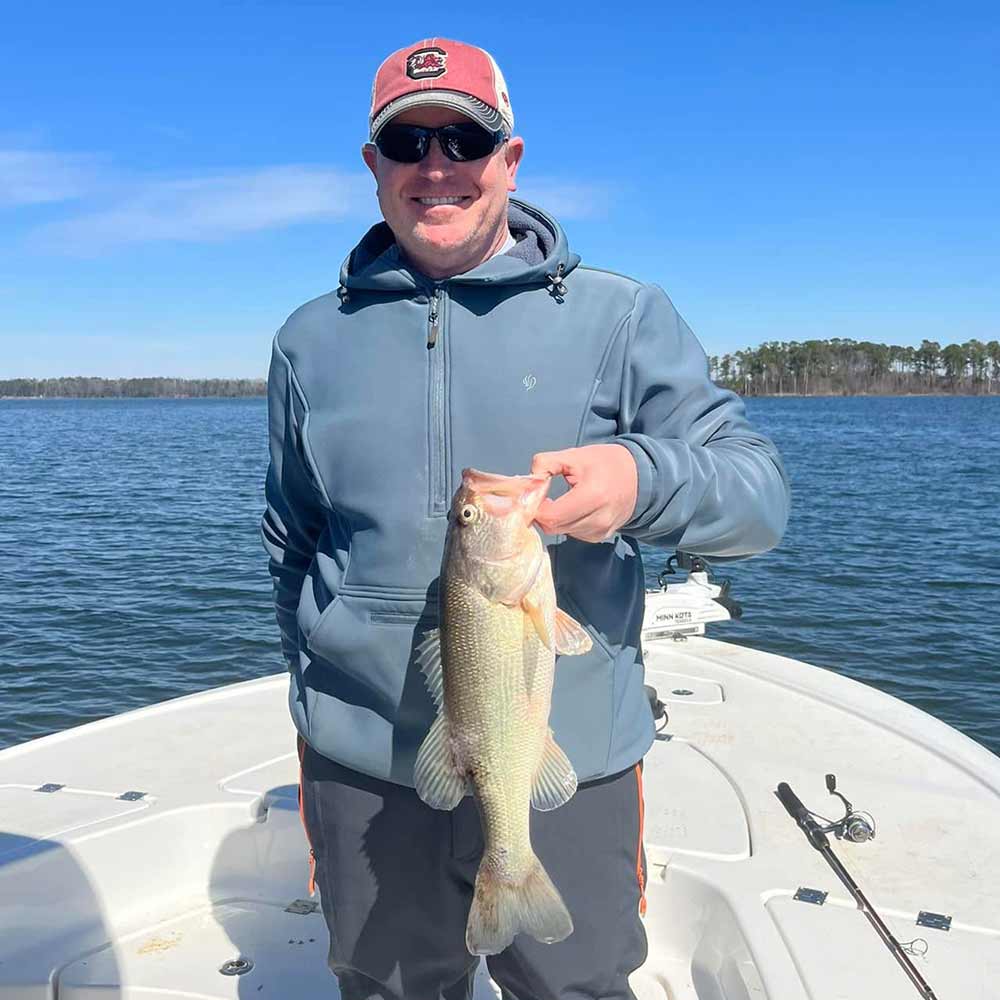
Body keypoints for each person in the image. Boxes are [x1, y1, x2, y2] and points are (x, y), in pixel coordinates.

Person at [262, 37, 790, 1000]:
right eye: (408, 141)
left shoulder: (622, 317)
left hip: (567, 751)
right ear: (373, 167)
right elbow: (291, 532)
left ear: (509, 158)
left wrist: (641, 482)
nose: (435, 166)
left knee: (576, 983)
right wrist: (318, 658)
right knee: (382, 986)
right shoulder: (308, 340)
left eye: (464, 139)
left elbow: (757, 500)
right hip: (362, 758)